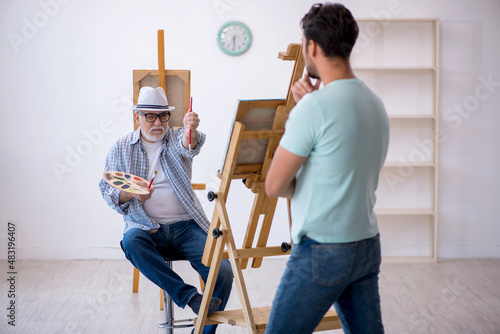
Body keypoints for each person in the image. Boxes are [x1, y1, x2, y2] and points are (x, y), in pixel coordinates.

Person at [265, 3, 388, 334]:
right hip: (366, 243)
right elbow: (340, 166)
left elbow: (274, 185)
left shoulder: (313, 108)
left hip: (323, 249)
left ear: (313, 46)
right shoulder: (375, 103)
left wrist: (307, 108)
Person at [99, 87, 233, 334]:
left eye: (162, 116)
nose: (157, 122)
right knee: (131, 241)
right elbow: (107, 190)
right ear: (137, 117)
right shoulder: (121, 148)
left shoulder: (176, 138)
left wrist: (190, 129)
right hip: (146, 227)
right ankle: (191, 298)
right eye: (150, 116)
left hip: (186, 226)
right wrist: (132, 193)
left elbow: (189, 145)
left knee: (223, 270)